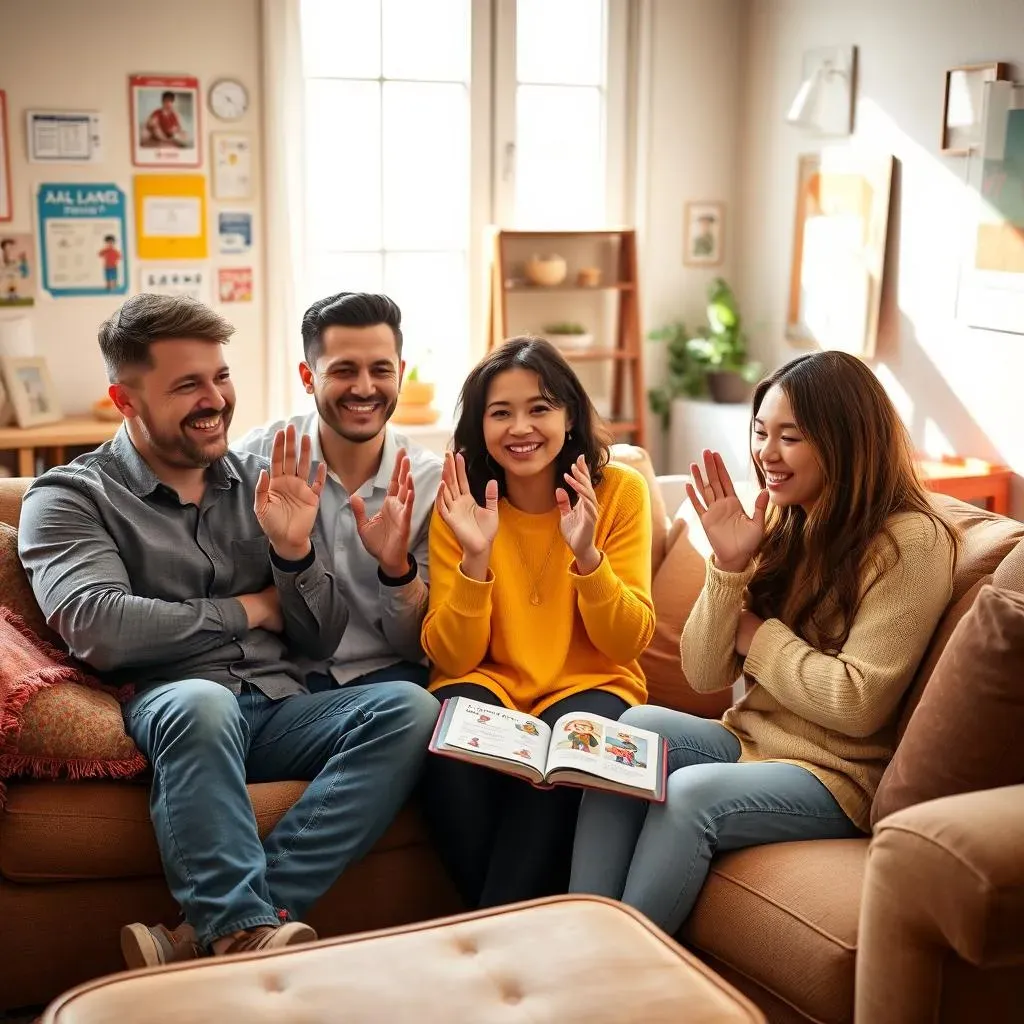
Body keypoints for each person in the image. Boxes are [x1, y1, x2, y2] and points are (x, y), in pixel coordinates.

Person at [18, 293, 438, 968]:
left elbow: (320, 641)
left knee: (409, 708)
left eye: (220, 377)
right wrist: (252, 608)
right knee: (203, 701)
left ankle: (217, 932)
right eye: (187, 385)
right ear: (126, 401)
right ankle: (241, 936)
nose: (214, 399)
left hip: (277, 710)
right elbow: (99, 626)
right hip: (175, 705)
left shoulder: (260, 478)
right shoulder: (70, 497)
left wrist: (296, 557)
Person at [570, 350, 959, 934]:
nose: (766, 454)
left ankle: (622, 970)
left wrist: (757, 635)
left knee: (691, 793)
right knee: (627, 739)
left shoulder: (912, 543)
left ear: (845, 440)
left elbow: (856, 704)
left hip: (835, 774)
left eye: (790, 437)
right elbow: (703, 674)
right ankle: (576, 943)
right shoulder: (785, 520)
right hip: (753, 740)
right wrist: (728, 567)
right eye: (759, 432)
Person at [420, 336, 655, 909]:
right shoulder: (460, 503)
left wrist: (589, 559)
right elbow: (451, 657)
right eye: (501, 412)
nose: (520, 427)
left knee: (568, 759)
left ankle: (487, 932)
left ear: (570, 415)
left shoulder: (618, 492)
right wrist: (476, 559)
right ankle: (513, 932)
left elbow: (626, 640)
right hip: (490, 683)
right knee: (447, 759)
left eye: (540, 408)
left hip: (590, 686)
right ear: (480, 425)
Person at [235, 292, 442, 692]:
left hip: (392, 676)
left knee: (413, 706)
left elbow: (413, 643)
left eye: (381, 370)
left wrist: (397, 570)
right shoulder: (253, 460)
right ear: (308, 376)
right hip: (280, 676)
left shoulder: (430, 484)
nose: (364, 388)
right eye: (344, 370)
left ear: (400, 371)